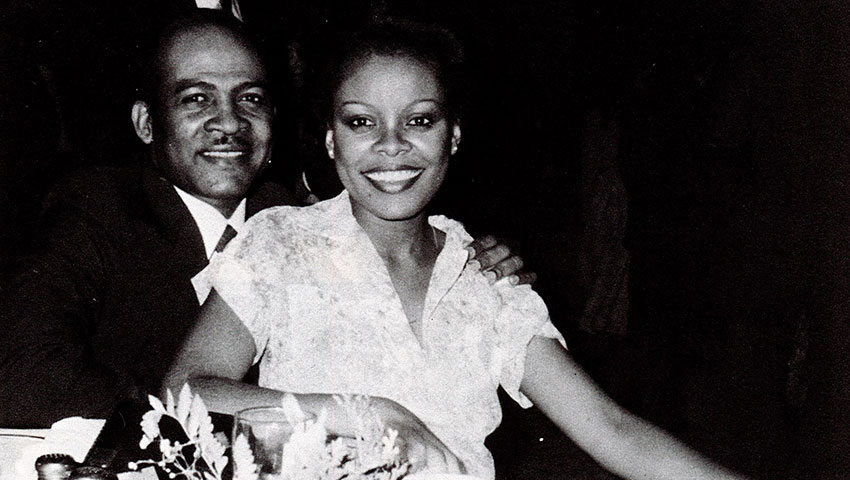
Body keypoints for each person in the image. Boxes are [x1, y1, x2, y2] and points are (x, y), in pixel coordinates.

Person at [164, 19, 751, 480]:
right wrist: (373, 414)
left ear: (454, 137)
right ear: (330, 141)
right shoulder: (280, 243)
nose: (392, 147)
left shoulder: (486, 279)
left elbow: (612, 429)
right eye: (362, 122)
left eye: (419, 120)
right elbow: (186, 389)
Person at [0, 10, 525, 428]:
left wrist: (483, 269)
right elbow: (20, 374)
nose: (228, 122)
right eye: (196, 98)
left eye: (250, 98)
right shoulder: (97, 209)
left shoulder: (297, 220)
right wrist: (197, 413)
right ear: (145, 122)